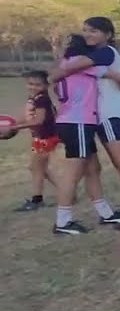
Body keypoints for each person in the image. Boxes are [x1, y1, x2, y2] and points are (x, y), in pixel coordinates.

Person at [51, 16, 120, 226]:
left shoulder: (104, 53)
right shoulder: (99, 55)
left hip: (111, 115)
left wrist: (57, 73)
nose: (88, 34)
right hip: (102, 117)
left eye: (93, 31)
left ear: (108, 35)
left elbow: (72, 67)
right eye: (85, 30)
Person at [49, 35, 120, 235]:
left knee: (93, 169)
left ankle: (106, 214)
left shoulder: (65, 65)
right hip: (78, 122)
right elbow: (114, 75)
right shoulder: (80, 65)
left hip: (76, 122)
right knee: (74, 172)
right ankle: (63, 222)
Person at [11, 71, 60, 212]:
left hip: (47, 137)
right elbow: (27, 117)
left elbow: (38, 121)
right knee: (38, 168)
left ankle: (37, 200)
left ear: (45, 85)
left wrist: (15, 127)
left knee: (37, 168)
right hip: (41, 138)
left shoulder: (42, 100)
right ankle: (66, 191)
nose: (33, 87)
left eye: (38, 84)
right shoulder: (34, 98)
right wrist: (10, 124)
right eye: (30, 84)